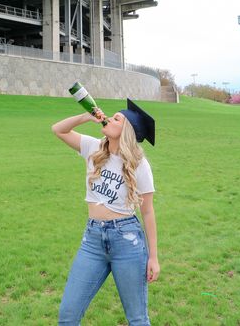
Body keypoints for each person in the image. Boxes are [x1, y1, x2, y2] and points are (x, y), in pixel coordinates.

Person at [52, 98, 159, 325]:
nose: (109, 118)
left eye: (117, 118)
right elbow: (58, 130)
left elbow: (148, 212)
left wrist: (154, 257)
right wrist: (86, 117)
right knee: (67, 315)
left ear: (127, 130)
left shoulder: (139, 165)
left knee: (137, 319)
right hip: (92, 241)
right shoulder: (93, 148)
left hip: (127, 242)